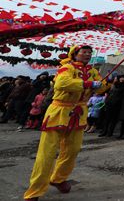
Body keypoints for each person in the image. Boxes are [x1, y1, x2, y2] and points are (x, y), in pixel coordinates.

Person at [23, 45, 107, 201]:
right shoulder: (66, 67)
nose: (87, 54)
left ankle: (58, 179)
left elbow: (101, 89)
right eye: (84, 52)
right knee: (47, 154)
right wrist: (88, 84)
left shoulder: (94, 71)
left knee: (72, 150)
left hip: (79, 114)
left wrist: (102, 85)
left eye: (90, 52)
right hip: (59, 111)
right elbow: (62, 84)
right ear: (75, 54)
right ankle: (35, 191)